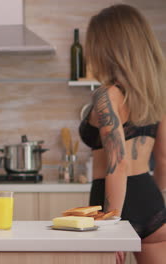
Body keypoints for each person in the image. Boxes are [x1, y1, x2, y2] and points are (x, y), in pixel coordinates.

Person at [78, 4, 166, 263]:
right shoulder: (156, 94)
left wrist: (111, 224)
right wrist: (155, 207)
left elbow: (118, 164)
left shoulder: (107, 95)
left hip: (113, 206)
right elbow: (162, 159)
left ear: (106, 47)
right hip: (151, 202)